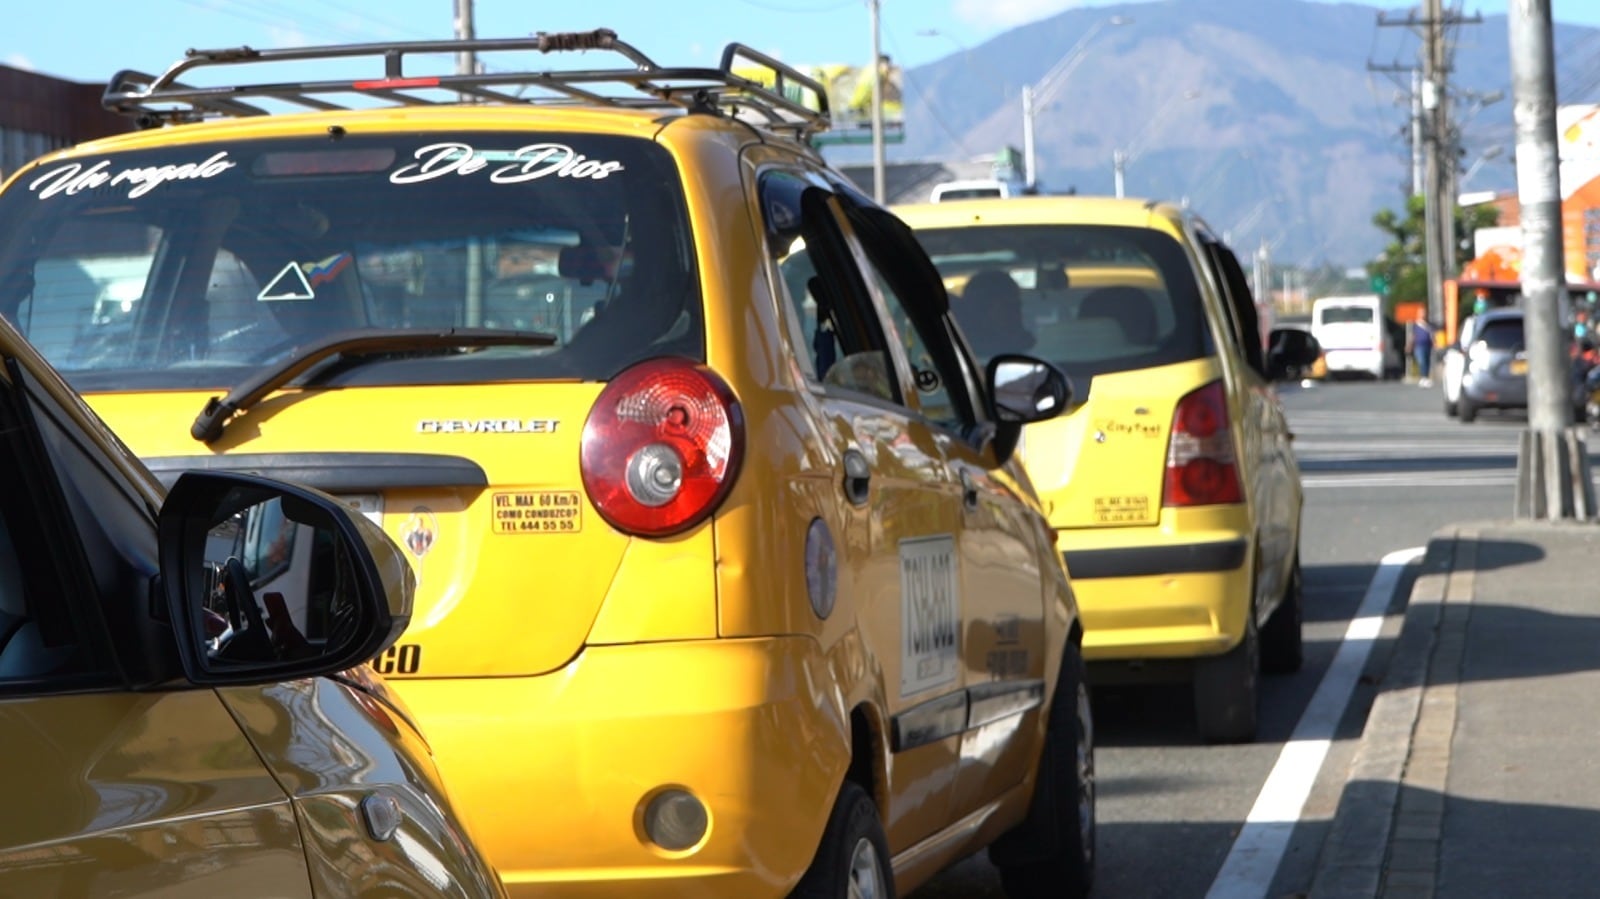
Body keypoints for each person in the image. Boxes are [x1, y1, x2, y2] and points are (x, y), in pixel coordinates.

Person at [1408, 313, 1435, 387]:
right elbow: (1412, 336)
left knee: (1427, 362)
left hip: (1428, 345)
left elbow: (1432, 335)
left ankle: (1426, 377)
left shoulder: (1428, 325)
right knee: (1422, 361)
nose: (1423, 315)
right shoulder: (1416, 325)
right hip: (1419, 346)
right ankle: (1423, 377)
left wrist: (1434, 343)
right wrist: (1410, 345)